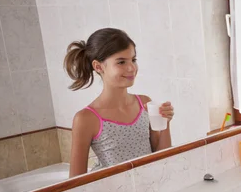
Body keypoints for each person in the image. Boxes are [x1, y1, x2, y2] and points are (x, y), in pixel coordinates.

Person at [64, 28, 174, 177]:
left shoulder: (145, 103)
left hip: (147, 188)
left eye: (133, 60)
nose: (131, 68)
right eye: (121, 62)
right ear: (98, 66)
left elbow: (162, 159)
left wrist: (165, 123)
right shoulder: (86, 119)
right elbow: (75, 181)